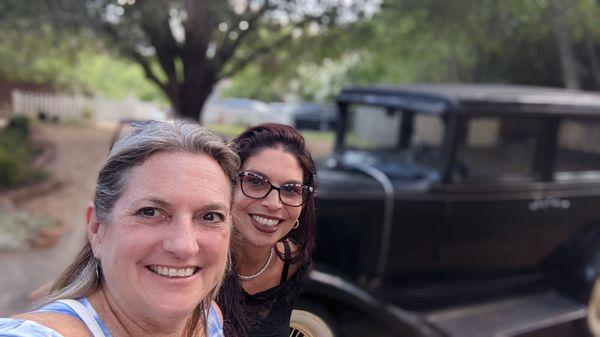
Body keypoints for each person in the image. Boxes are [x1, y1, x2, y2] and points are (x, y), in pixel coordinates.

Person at [0, 120, 240, 337]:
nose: (183, 246)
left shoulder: (208, 318)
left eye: (210, 216)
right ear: (96, 229)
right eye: (150, 212)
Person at [218, 123, 317, 337]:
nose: (274, 204)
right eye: (255, 181)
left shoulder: (294, 263)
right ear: (228, 184)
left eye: (291, 189)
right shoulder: (193, 260)